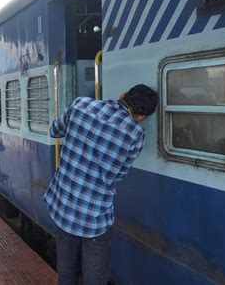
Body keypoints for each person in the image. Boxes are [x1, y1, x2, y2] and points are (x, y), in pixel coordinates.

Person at [43, 84, 158, 285]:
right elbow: (118, 174)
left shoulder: (80, 105)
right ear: (140, 116)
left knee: (66, 274)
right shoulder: (135, 134)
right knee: (95, 279)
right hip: (95, 218)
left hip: (63, 209)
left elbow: (54, 130)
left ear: (123, 95)